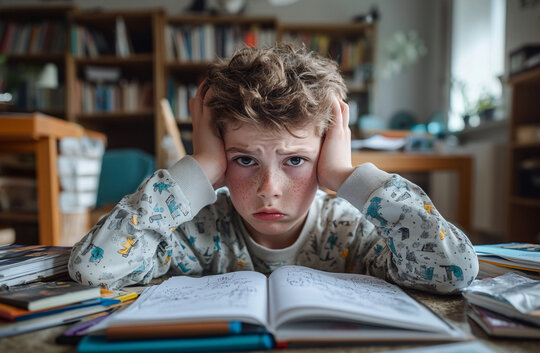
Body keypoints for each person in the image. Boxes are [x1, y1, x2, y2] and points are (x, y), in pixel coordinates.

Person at [68, 44, 478, 293]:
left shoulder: (352, 231)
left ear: (324, 152)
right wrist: (201, 166)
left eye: (296, 160)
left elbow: (453, 270)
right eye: (244, 160)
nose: (269, 189)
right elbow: (93, 268)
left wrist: (345, 175)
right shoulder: (195, 232)